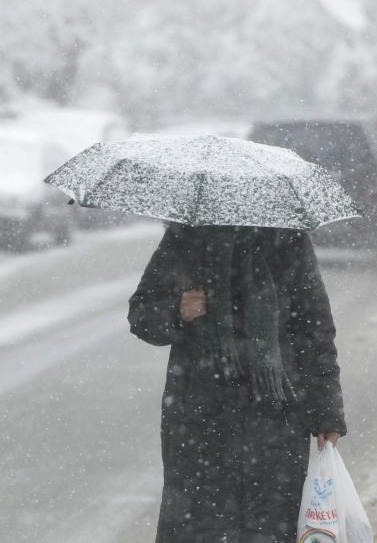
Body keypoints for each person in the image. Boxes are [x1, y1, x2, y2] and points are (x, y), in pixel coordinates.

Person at [128, 223, 346, 542]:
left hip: (276, 422)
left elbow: (315, 332)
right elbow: (142, 314)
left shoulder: (288, 239)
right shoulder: (186, 237)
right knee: (200, 529)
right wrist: (178, 310)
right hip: (199, 422)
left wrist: (327, 412)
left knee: (269, 528)